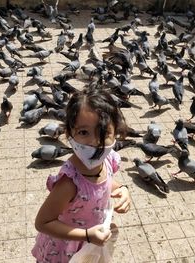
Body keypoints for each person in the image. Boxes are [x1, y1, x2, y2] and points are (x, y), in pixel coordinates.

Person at [32, 88, 132, 262]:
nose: (95, 142)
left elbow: (104, 182)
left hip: (91, 242)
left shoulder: (108, 160)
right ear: (69, 134)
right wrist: (86, 234)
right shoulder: (69, 183)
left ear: (116, 132)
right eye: (84, 132)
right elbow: (43, 222)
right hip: (65, 249)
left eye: (103, 132)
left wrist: (123, 189)